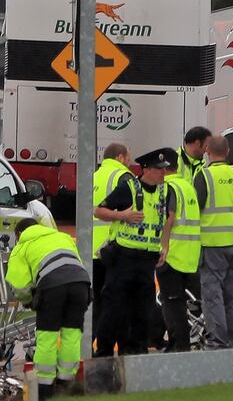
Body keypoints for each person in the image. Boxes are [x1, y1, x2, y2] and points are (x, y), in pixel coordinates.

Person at [93, 148, 169, 357]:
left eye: (164, 169)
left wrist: (163, 246)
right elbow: (99, 210)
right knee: (114, 307)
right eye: (158, 169)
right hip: (124, 258)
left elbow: (164, 221)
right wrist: (123, 215)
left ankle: (135, 350)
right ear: (146, 169)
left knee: (142, 309)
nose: (163, 173)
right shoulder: (129, 188)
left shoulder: (164, 192)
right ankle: (105, 351)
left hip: (147, 259)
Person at [5, 219, 90, 400]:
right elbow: (75, 265)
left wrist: (30, 301)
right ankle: (66, 383)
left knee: (47, 337)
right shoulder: (63, 237)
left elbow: (19, 287)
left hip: (52, 286)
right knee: (72, 334)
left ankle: (44, 388)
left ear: (19, 234)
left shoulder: (22, 246)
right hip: (80, 284)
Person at [193, 136, 233, 349]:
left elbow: (195, 209)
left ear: (208, 151)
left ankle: (217, 340)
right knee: (230, 295)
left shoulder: (204, 176)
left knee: (212, 296)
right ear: (227, 152)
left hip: (211, 244)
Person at [156, 148, 201, 352]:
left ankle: (179, 346)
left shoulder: (168, 187)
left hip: (172, 255)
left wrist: (163, 247)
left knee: (172, 304)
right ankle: (183, 343)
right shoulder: (187, 186)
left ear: (164, 168)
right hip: (190, 255)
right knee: (183, 303)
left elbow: (169, 217)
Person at [91, 143, 134, 342]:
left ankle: (89, 345)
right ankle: (110, 344)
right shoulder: (123, 177)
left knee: (95, 302)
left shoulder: (93, 176)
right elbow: (134, 212)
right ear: (120, 157)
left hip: (90, 250)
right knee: (116, 301)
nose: (129, 163)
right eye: (128, 158)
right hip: (113, 247)